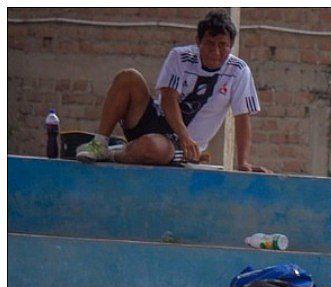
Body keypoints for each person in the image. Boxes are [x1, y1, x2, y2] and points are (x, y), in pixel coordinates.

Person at [75, 10, 266, 171]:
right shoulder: (180, 57)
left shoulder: (239, 71)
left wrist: (243, 162)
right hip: (156, 121)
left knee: (155, 148)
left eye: (222, 45)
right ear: (198, 41)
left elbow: (242, 116)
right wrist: (185, 136)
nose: (216, 52)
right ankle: (99, 143)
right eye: (210, 44)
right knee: (129, 77)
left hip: (175, 146)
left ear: (230, 46)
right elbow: (168, 98)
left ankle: (113, 153)